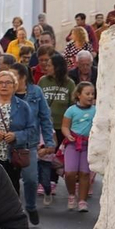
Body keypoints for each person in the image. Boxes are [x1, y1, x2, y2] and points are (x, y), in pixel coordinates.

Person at [0, 57, 56, 225]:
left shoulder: (36, 92)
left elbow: (45, 117)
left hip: (29, 143)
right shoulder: (5, 93)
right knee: (10, 181)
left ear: (23, 77)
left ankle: (31, 206)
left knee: (31, 179)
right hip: (7, 143)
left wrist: (49, 141)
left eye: (14, 76)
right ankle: (15, 212)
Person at [0, 69, 40, 201]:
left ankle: (13, 212)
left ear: (14, 86)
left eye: (8, 82)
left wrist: (17, 136)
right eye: (1, 82)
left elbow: (32, 129)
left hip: (13, 155)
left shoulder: (23, 106)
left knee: (12, 189)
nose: (4, 85)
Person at [36, 54, 76, 206]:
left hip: (62, 125)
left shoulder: (69, 83)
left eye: (50, 65)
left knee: (57, 155)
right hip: (46, 125)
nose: (46, 67)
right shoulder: (43, 81)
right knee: (47, 153)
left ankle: (53, 180)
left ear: (58, 67)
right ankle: (46, 181)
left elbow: (72, 104)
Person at [61, 82, 97, 213]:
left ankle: (82, 201)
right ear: (78, 95)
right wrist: (68, 135)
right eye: (87, 94)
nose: (90, 96)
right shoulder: (71, 110)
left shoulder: (96, 110)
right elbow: (65, 126)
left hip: (88, 144)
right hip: (73, 144)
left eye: (92, 94)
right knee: (70, 172)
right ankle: (71, 194)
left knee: (85, 173)